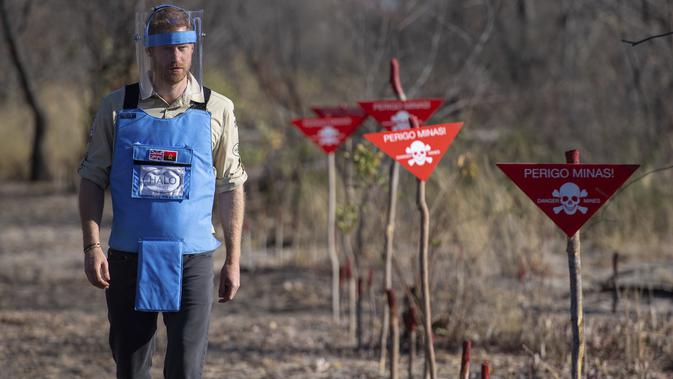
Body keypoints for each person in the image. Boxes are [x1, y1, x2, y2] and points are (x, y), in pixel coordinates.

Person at [77, 5, 246, 378]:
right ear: (148, 50)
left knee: (186, 368)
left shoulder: (217, 109)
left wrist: (233, 258)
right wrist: (92, 246)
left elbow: (231, 184)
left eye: (183, 47)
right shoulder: (117, 107)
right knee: (131, 367)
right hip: (128, 260)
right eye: (166, 47)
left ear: (194, 48)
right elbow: (92, 178)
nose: (176, 56)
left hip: (194, 260)